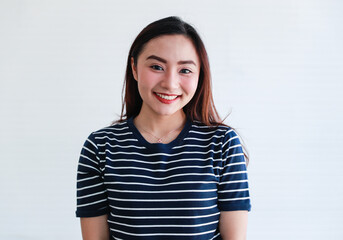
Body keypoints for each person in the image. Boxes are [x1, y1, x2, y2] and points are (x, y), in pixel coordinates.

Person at [76, 16, 251, 240]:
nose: (170, 83)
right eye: (157, 66)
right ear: (135, 68)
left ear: (199, 76)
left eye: (185, 70)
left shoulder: (222, 143)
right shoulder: (100, 147)